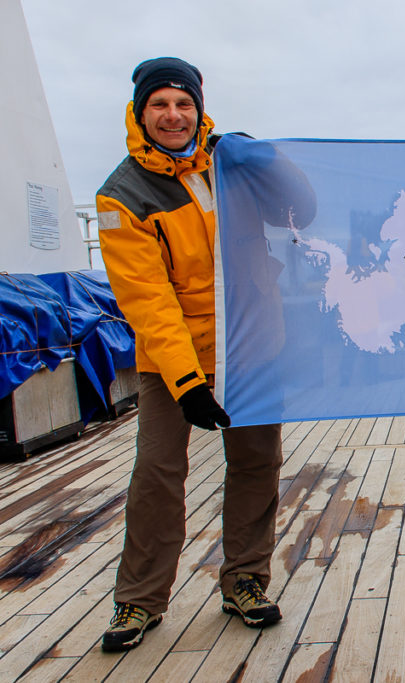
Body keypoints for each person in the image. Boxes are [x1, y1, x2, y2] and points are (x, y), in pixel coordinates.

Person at [95, 57, 296, 652]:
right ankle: (139, 599)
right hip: (172, 361)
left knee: (257, 464)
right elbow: (147, 300)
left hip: (253, 348)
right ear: (140, 113)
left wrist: (266, 160)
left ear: (200, 110)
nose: (173, 115)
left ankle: (245, 582)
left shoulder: (232, 166)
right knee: (158, 473)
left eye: (184, 104)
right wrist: (187, 383)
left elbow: (300, 213)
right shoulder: (122, 194)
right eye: (159, 104)